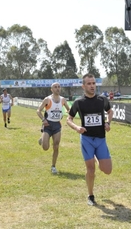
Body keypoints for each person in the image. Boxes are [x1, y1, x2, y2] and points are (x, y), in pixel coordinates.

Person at [67, 73, 113, 206]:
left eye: (94, 83)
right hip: (87, 139)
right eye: (89, 83)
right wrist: (77, 128)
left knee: (107, 170)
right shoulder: (78, 102)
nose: (92, 86)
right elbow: (68, 119)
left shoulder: (102, 100)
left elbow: (110, 112)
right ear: (83, 86)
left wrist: (108, 123)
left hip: (100, 139)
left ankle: (97, 158)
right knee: (90, 169)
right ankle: (90, 195)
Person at [36, 82, 70, 174]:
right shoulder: (47, 99)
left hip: (57, 125)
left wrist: (70, 115)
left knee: (56, 146)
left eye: (59, 87)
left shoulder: (63, 100)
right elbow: (38, 111)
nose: (57, 88)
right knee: (45, 147)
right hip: (47, 125)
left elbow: (68, 110)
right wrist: (43, 119)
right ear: (52, 89)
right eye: (55, 87)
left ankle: (53, 166)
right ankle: (42, 139)